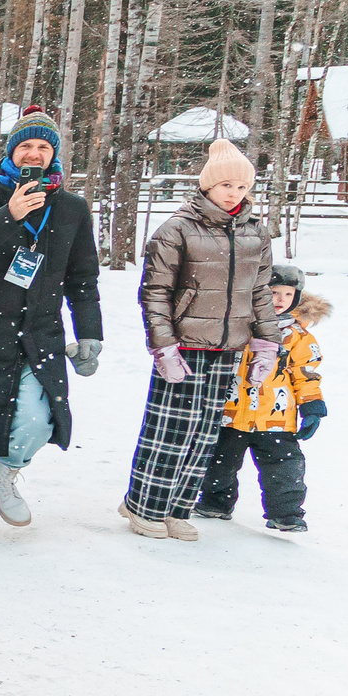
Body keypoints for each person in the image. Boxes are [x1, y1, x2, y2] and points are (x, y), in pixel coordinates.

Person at [0, 106, 103, 538]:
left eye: (43, 146)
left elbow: (83, 279)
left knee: (38, 419)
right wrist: (8, 214)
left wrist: (90, 334)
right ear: (11, 151)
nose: (33, 153)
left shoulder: (71, 209)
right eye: (25, 145)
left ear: (55, 155)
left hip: (39, 333)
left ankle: (5, 475)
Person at [121, 135, 283, 539]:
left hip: (228, 346)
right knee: (171, 431)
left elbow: (259, 292)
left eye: (243, 186)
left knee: (204, 433)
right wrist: (163, 345)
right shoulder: (177, 228)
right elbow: (155, 292)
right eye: (227, 185)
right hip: (184, 345)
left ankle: (177, 508)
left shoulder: (254, 233)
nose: (235, 194)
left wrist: (267, 343)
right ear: (208, 185)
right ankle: (144, 506)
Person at [197, 261, 328, 532]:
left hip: (276, 418)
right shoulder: (237, 325)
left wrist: (312, 406)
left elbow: (306, 373)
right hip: (231, 414)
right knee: (219, 462)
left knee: (285, 468)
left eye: (288, 294)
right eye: (274, 292)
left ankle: (286, 513)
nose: (280, 300)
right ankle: (214, 502)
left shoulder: (298, 336)